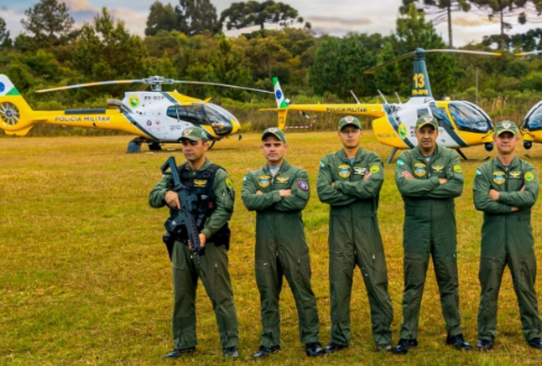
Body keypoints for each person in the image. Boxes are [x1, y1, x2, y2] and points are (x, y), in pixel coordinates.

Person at [149, 128, 239, 359]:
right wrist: (167, 194)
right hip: (180, 242)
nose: (188, 147)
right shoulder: (175, 174)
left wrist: (205, 233)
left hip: (210, 244)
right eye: (184, 143)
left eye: (193, 143)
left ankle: (230, 344)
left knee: (220, 295)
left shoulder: (217, 175)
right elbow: (153, 196)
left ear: (206, 145)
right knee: (182, 295)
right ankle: (184, 343)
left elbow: (225, 209)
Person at [241, 128, 323, 359]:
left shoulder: (299, 174)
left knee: (303, 290)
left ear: (285, 147)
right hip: (265, 244)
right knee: (267, 293)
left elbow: (299, 201)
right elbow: (248, 200)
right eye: (267, 145)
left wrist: (264, 198)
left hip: (292, 242)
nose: (272, 149)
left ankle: (311, 339)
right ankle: (269, 341)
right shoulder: (253, 176)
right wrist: (279, 194)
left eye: (277, 144)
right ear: (262, 148)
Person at [392, 116, 471, 354]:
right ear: (415, 133)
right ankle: (408, 335)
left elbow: (456, 187)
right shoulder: (406, 157)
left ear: (437, 133)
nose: (426, 135)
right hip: (416, 228)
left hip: (443, 228)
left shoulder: (450, 156)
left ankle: (455, 333)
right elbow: (405, 188)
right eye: (421, 131)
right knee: (413, 282)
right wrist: (438, 181)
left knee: (448, 280)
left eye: (430, 131)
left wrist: (420, 185)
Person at [315, 116, 394, 354]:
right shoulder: (328, 161)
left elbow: (373, 187)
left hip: (366, 229)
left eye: (354, 130)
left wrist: (338, 185)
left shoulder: (372, 159)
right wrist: (358, 189)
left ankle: (382, 337)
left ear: (361, 133)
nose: (350, 135)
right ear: (339, 135)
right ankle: (339, 338)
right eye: (345, 131)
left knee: (377, 282)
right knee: (339, 285)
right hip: (339, 231)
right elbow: (323, 193)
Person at [473, 120, 542, 351]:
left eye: (510, 136)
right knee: (489, 286)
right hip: (493, 235)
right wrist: (514, 203)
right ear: (494, 140)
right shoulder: (484, 170)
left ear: (516, 140)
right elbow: (480, 201)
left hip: (520, 235)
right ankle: (486, 334)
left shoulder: (527, 169)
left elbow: (531, 197)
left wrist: (499, 196)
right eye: (501, 136)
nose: (505, 140)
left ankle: (533, 332)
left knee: (525, 284)